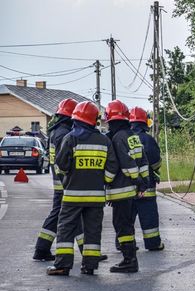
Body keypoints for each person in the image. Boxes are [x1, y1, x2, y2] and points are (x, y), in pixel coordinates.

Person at [46, 101, 117, 276]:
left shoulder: (70, 138)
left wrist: (68, 179)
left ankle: (62, 265)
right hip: (96, 197)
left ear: (76, 118)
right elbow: (112, 167)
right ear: (94, 120)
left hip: (72, 196)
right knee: (93, 231)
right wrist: (103, 182)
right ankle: (90, 266)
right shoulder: (104, 140)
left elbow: (61, 165)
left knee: (65, 229)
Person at [33, 98, 85, 261]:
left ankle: (87, 252)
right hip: (66, 182)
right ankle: (41, 249)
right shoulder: (64, 134)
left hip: (60, 181)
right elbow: (67, 159)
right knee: (62, 215)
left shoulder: (56, 131)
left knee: (71, 215)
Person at [105, 100, 149, 273]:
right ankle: (130, 259)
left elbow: (126, 164)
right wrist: (143, 183)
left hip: (121, 190)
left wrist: (137, 180)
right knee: (127, 225)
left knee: (122, 226)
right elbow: (143, 160)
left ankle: (129, 260)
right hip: (132, 190)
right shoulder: (133, 136)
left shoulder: (117, 138)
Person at [129, 107, 165, 251]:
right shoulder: (148, 139)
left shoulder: (123, 138)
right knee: (149, 216)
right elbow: (156, 161)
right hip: (147, 187)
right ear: (144, 122)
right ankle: (153, 243)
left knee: (126, 219)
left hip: (128, 188)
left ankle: (124, 244)